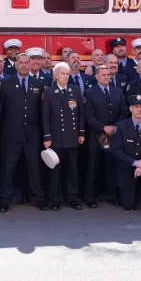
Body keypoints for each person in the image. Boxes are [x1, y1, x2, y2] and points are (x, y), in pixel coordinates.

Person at [0, 53, 46, 211]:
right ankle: (5, 200)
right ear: (16, 65)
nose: (24, 65)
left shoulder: (38, 84)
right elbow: (1, 109)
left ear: (30, 64)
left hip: (32, 134)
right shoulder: (5, 83)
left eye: (27, 62)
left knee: (34, 169)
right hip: (11, 134)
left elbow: (41, 110)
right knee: (8, 169)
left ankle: (38, 198)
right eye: (21, 63)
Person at [41, 62, 86, 210]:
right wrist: (47, 137)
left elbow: (80, 114)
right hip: (56, 137)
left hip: (72, 136)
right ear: (56, 76)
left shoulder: (75, 90)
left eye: (67, 74)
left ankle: (72, 197)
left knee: (72, 169)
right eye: (62, 74)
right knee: (55, 169)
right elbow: (45, 116)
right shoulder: (48, 91)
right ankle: (54, 199)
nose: (65, 76)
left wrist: (81, 133)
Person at [108, 93, 141, 215]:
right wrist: (135, 162)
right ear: (130, 108)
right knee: (128, 205)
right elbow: (117, 151)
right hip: (128, 166)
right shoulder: (121, 126)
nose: (139, 110)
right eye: (136, 107)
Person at [83, 64, 125, 208]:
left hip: (113, 135)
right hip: (96, 135)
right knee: (93, 166)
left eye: (108, 75)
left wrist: (115, 127)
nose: (106, 77)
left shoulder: (118, 92)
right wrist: (103, 127)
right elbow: (88, 116)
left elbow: (124, 112)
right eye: (103, 74)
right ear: (97, 76)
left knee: (111, 166)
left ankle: (112, 195)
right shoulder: (89, 93)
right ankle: (90, 197)